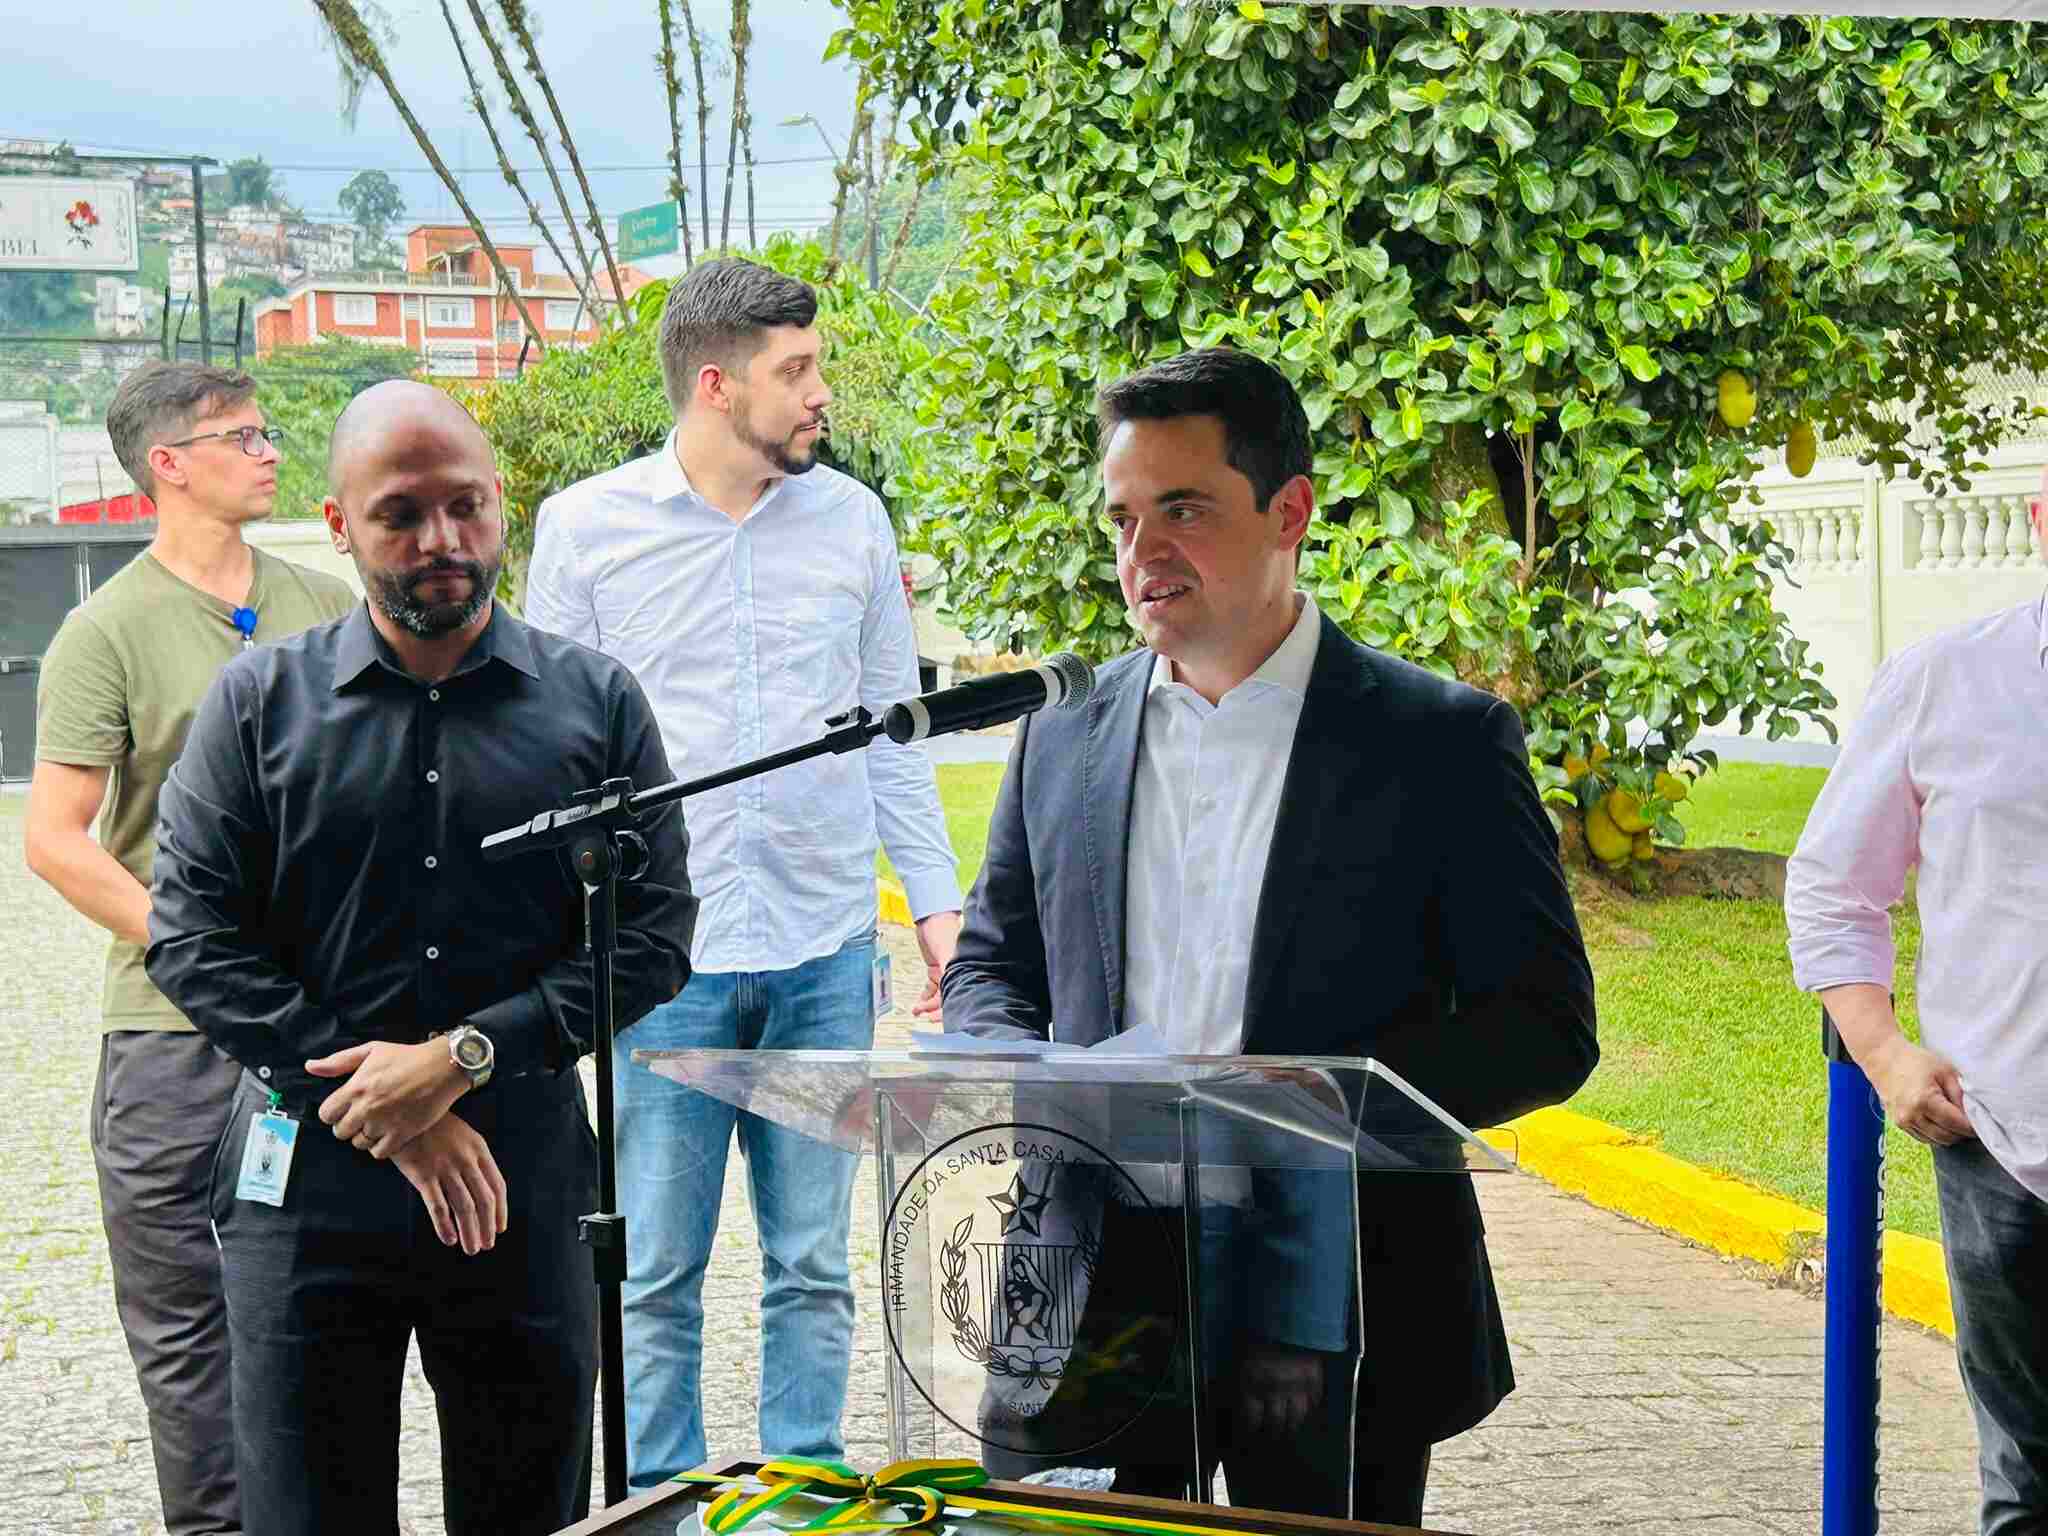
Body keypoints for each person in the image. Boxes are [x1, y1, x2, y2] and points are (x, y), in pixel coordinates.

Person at [940, 346, 1599, 1526]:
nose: (1142, 554)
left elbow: (1543, 1028)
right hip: (1089, 1267)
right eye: (1123, 518)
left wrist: (1325, 1101)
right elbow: (995, 960)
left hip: (1336, 1278)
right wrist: (1007, 1060)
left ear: (1287, 511)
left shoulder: (1437, 743)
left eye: (1182, 510)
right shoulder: (1062, 732)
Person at [143, 380, 697, 1536]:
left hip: (519, 1179)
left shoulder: (595, 705)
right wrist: (389, 1107)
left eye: (466, 506)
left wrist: (463, 1057)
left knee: (527, 1511)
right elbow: (190, 937)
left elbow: (651, 939)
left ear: (502, 506)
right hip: (306, 1182)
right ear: (338, 525)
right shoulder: (257, 706)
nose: (442, 540)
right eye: (400, 514)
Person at [524, 256, 961, 1490]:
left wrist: (938, 911)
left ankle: (804, 1491)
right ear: (717, 385)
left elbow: (893, 734)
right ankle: (658, 1501)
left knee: (814, 1265)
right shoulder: (586, 530)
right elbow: (549, 756)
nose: (820, 392)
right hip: (661, 969)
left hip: (825, 950)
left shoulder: (853, 521)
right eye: (796, 370)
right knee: (654, 1270)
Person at [23, 360, 356, 1536]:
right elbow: (56, 840)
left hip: (326, 1028)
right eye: (241, 437)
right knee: (186, 1332)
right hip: (171, 1038)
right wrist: (205, 952)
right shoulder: (103, 632)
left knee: (331, 1310)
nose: (269, 453)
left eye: (267, 434)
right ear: (167, 464)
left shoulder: (326, 605)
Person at [1787, 479, 2048, 1536]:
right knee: (2029, 1485)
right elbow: (1832, 886)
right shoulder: (1946, 680)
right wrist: (1884, 1053)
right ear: (2040, 517)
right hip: (2007, 1149)